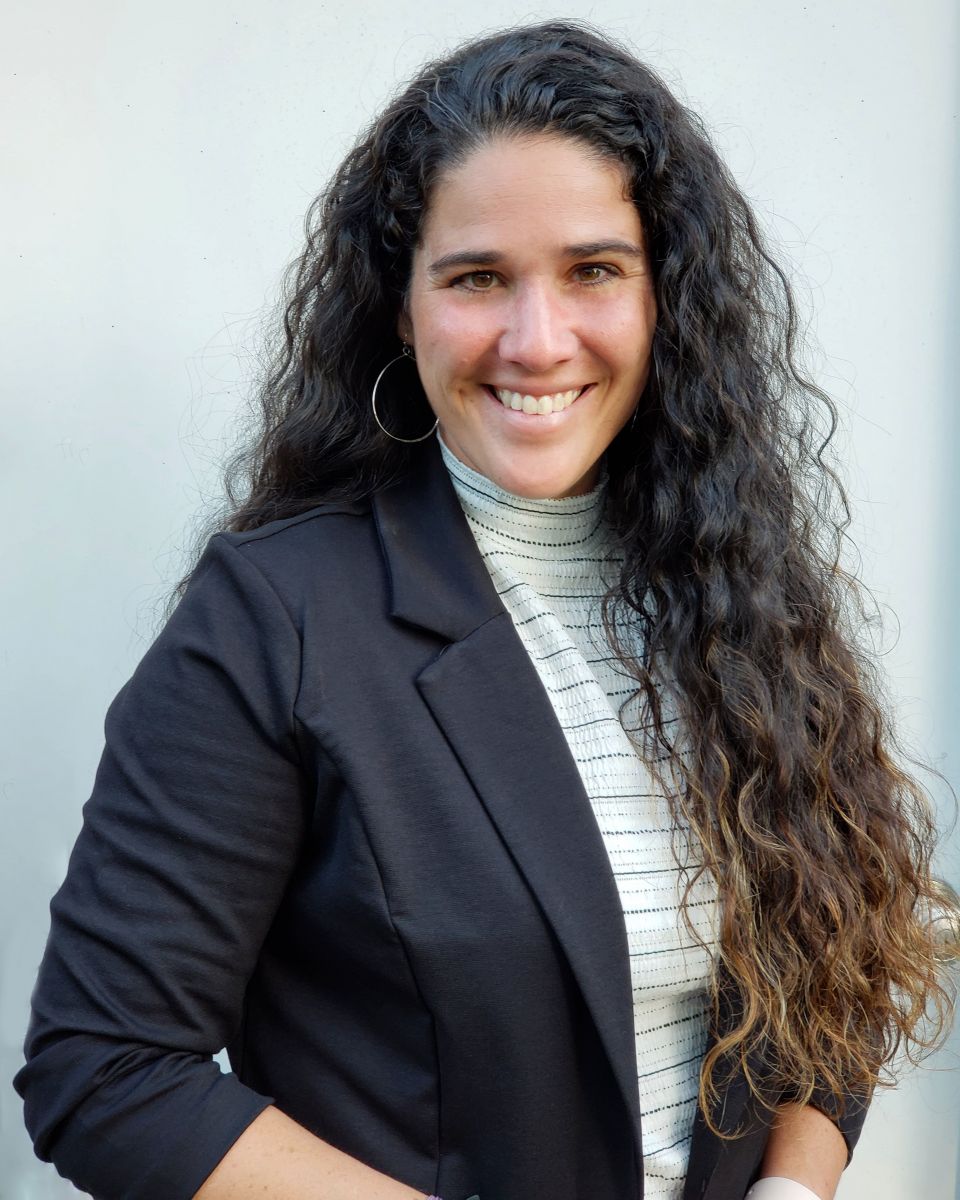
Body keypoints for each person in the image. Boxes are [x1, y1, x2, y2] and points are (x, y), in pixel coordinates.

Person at [14, 19, 958, 1200]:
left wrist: (790, 1190)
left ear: (666, 300)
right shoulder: (276, 617)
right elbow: (106, 1071)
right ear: (402, 309)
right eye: (476, 279)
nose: (537, 339)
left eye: (594, 270)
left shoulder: (734, 586)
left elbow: (837, 956)